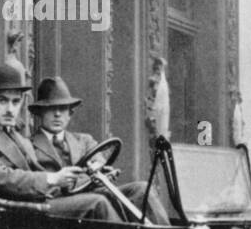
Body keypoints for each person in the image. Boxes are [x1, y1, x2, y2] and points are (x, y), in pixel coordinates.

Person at [0, 64, 119, 220]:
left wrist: (88, 180)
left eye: (16, 101)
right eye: (2, 100)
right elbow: (0, 178)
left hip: (34, 202)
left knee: (137, 192)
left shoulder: (16, 136)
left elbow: (39, 173)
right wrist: (53, 179)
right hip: (9, 214)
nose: (10, 109)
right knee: (97, 204)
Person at [28, 76, 160, 220]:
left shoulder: (84, 141)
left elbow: (99, 164)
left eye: (63, 108)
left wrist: (103, 173)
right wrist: (87, 178)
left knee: (141, 189)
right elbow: (38, 185)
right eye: (51, 108)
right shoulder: (29, 146)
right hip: (56, 207)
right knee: (99, 202)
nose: (58, 114)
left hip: (90, 197)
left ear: (70, 114)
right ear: (40, 112)